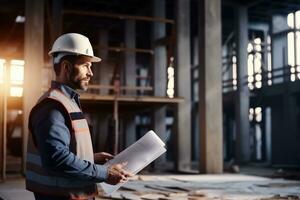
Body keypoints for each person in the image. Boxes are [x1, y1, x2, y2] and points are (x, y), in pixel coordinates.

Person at [25, 33, 132, 200]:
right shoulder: (53, 107)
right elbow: (57, 159)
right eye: (85, 66)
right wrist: (104, 173)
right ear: (67, 67)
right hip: (59, 196)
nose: (91, 73)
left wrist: (91, 158)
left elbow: (62, 149)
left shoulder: (67, 102)